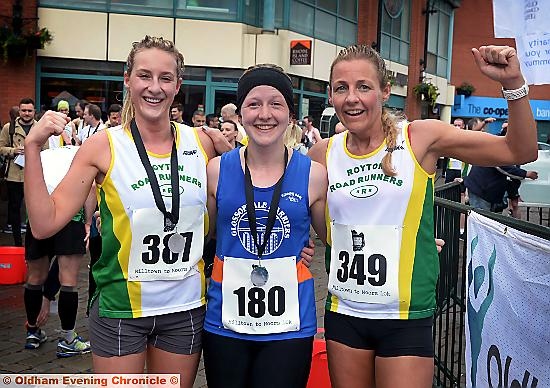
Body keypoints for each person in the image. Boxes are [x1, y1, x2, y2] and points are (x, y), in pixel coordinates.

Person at [308, 44, 537, 388]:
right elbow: (324, 231)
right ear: (331, 95)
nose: (352, 98)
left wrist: (514, 85)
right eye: (342, 88)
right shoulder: (322, 154)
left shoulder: (419, 138)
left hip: (406, 316)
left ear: (386, 91)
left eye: (364, 87)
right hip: (345, 313)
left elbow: (519, 150)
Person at [24, 36, 230, 386]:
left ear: (178, 85)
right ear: (128, 79)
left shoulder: (204, 143)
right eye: (144, 76)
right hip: (121, 308)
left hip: (184, 310)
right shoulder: (103, 146)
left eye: (165, 78)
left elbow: (246, 204)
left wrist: (294, 245)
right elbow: (44, 225)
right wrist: (32, 146)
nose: (155, 87)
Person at [202, 64, 328, 388]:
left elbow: (340, 235)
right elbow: (201, 232)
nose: (265, 114)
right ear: (240, 114)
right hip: (225, 321)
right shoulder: (216, 171)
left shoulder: (313, 174)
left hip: (290, 324)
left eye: (276, 104)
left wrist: (417, 239)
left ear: (289, 114)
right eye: (253, 104)